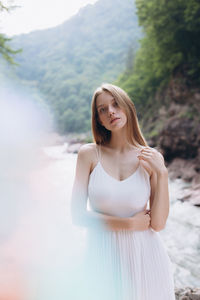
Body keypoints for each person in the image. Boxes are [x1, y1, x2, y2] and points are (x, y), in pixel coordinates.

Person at [70, 83, 175, 300]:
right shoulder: (88, 155)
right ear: (98, 119)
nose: (111, 111)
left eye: (116, 104)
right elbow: (78, 216)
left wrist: (162, 173)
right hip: (101, 259)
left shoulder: (151, 158)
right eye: (103, 109)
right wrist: (127, 224)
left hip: (145, 259)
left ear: (127, 108)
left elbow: (158, 223)